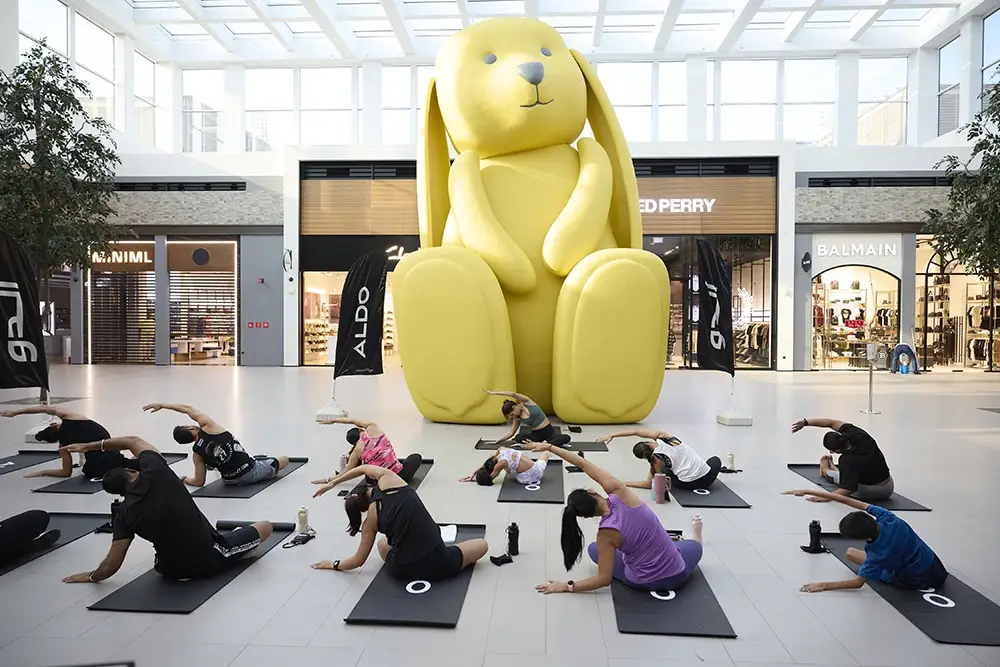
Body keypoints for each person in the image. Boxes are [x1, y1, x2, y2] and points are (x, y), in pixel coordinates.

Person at [60, 436, 273, 583]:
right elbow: (132, 441)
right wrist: (90, 446)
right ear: (130, 471)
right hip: (208, 561)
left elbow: (112, 564)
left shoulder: (123, 514)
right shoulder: (157, 472)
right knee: (265, 526)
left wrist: (91, 576)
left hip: (168, 571)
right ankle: (234, 552)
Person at [523, 441, 704, 595]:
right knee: (694, 546)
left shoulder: (604, 535)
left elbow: (604, 579)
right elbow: (584, 465)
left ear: (585, 516)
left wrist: (567, 586)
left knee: (595, 550)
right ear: (592, 492)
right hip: (677, 574)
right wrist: (549, 447)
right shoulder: (621, 492)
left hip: (643, 582)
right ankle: (685, 541)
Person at [311, 464, 488, 581]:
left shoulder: (369, 522)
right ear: (367, 487)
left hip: (403, 570)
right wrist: (333, 483)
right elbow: (363, 467)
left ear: (363, 508)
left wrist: (332, 564)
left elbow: (358, 560)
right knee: (482, 545)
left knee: (382, 544)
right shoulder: (389, 479)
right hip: (440, 563)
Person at [783, 488, 948, 593]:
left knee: (851, 554)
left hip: (915, 580)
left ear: (866, 538)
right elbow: (849, 501)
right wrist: (808, 490)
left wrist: (824, 585)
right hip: (936, 567)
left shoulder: (877, 555)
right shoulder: (889, 517)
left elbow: (857, 583)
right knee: (857, 555)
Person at [143, 402, 289, 488]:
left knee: (210, 461)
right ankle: (266, 466)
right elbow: (188, 408)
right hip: (250, 472)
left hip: (230, 480)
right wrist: (162, 405)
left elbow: (199, 482)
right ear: (190, 428)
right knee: (283, 459)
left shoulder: (197, 455)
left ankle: (213, 464)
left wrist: (184, 479)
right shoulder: (208, 426)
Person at [0, 405, 132, 480]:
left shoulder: (63, 446)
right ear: (53, 425)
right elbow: (43, 408)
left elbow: (66, 473)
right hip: (113, 456)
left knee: (92, 464)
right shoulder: (71, 418)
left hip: (95, 470)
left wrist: (43, 472)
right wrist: (16, 412)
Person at [791, 417, 894, 501]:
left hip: (873, 492)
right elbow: (830, 423)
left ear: (836, 450)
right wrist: (805, 422)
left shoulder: (846, 460)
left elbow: (848, 489)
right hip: (889, 483)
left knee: (840, 478)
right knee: (851, 473)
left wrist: (826, 497)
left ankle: (827, 471)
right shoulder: (857, 434)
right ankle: (834, 469)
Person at [600, 427, 721, 491]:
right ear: (647, 443)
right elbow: (635, 431)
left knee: (666, 472)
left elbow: (648, 485)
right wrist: (613, 435)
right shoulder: (665, 438)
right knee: (715, 460)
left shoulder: (655, 462)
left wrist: (624, 482)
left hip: (686, 484)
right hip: (706, 478)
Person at [312, 416, 422, 486]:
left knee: (368, 471)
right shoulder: (372, 428)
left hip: (380, 483)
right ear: (360, 429)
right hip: (399, 477)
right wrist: (335, 420)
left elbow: (346, 473)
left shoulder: (356, 451)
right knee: (415, 457)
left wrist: (328, 480)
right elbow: (353, 420)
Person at [484, 389, 570, 446]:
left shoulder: (527, 402)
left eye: (512, 414)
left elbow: (513, 394)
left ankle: (544, 443)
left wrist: (495, 393)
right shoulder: (517, 418)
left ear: (514, 407)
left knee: (566, 438)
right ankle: (544, 443)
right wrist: (498, 441)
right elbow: (511, 432)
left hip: (549, 432)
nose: (513, 416)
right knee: (518, 437)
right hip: (536, 435)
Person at [460, 446, 550, 486]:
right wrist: (473, 472)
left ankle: (525, 475)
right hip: (537, 469)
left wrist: (475, 480)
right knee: (546, 453)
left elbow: (489, 479)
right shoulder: (501, 450)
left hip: (528, 477)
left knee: (507, 469)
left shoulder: (500, 464)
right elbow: (485, 464)